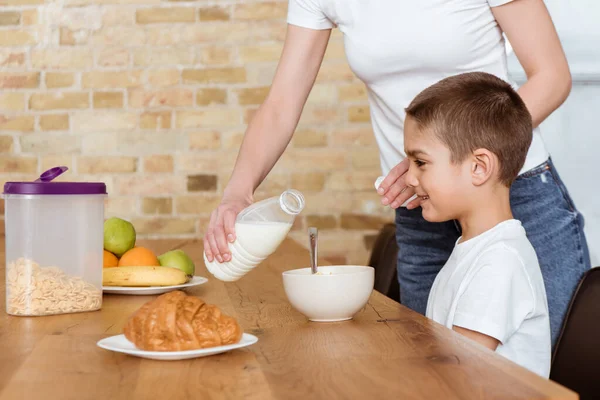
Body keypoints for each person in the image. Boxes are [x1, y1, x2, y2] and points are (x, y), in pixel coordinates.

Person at [203, 0, 590, 350]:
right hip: (420, 209)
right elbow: (280, 105)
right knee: (432, 367)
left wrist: (449, 157)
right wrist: (238, 192)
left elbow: (552, 76)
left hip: (512, 195)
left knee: (546, 374)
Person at [403, 71, 550, 377]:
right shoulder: (475, 250)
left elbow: (455, 373)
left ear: (479, 168)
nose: (409, 178)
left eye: (420, 163)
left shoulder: (499, 263)